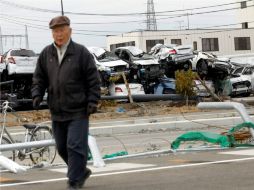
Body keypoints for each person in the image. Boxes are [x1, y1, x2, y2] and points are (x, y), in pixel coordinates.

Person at [31, 15, 101, 190]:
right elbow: (39, 78)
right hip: (57, 110)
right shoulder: (47, 53)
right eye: (55, 31)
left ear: (70, 31)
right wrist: (37, 94)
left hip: (79, 110)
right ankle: (81, 171)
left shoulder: (81, 52)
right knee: (62, 147)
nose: (59, 34)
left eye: (62, 30)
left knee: (75, 145)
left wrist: (93, 100)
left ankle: (74, 180)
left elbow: (93, 79)